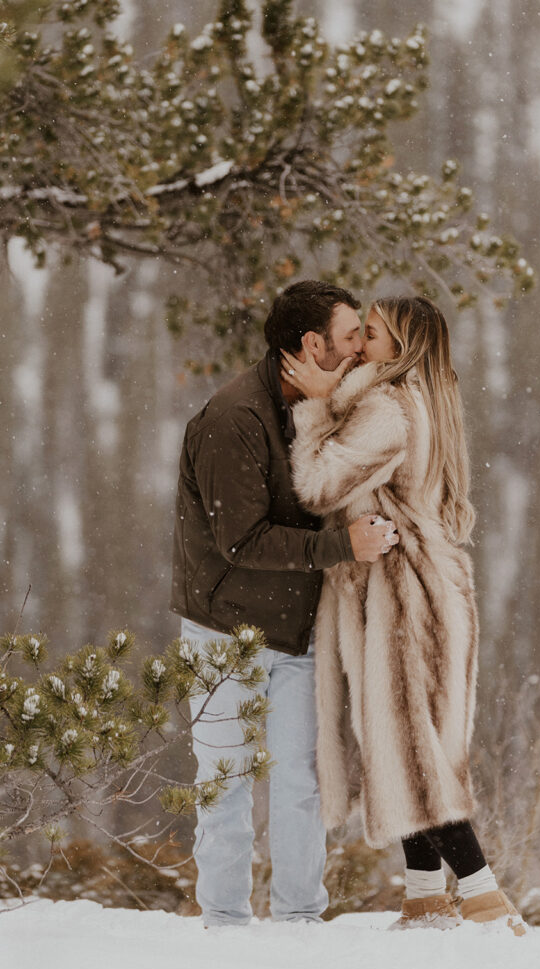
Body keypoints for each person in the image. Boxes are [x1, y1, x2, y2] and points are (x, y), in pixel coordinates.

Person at [283, 294, 526, 934]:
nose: (359, 344)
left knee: (410, 750)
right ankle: (424, 897)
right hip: (428, 591)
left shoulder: (388, 410)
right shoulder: (421, 400)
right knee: (409, 739)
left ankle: (485, 900)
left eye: (371, 334)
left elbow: (317, 486)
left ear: (401, 345)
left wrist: (313, 408)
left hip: (401, 598)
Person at [170, 280, 398, 927]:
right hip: (225, 634)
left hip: (295, 634)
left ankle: (300, 926)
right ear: (311, 344)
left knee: (301, 786)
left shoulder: (316, 406)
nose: (360, 349)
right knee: (226, 787)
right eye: (351, 336)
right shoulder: (231, 419)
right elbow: (240, 539)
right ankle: (225, 926)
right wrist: (341, 547)